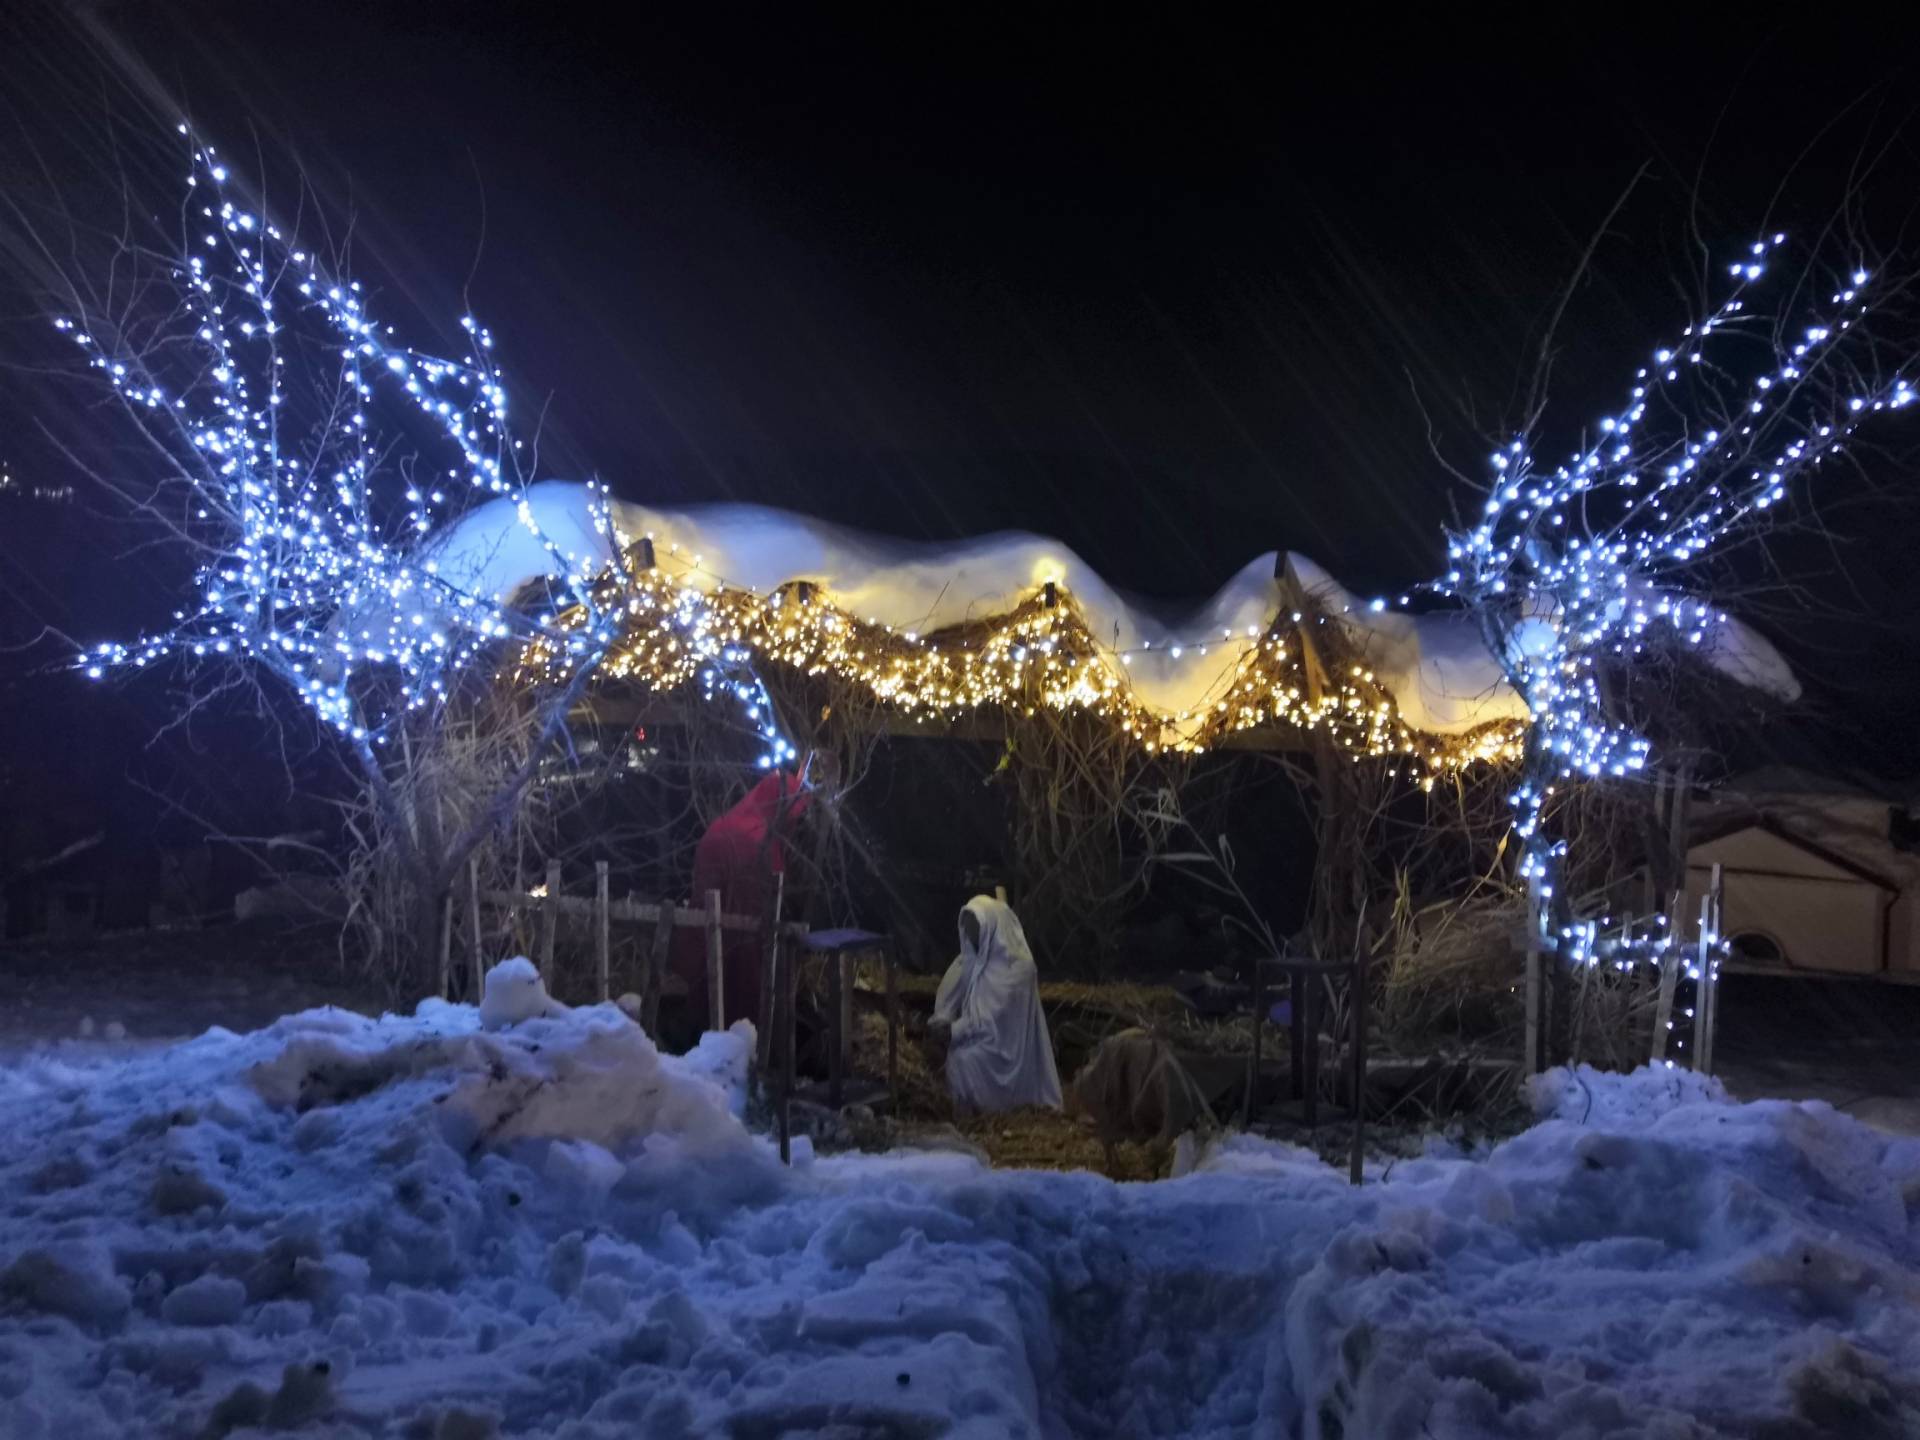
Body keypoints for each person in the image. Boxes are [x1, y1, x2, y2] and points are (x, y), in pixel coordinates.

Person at [671, 767, 812, 1034]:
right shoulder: (761, 841)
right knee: (742, 987)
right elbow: (766, 900)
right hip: (744, 935)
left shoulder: (726, 824)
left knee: (710, 978)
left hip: (709, 929)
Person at [930, 895, 1063, 1112]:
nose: (971, 934)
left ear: (990, 928)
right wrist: (941, 1019)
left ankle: (980, 1112)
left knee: (963, 1061)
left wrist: (953, 1031)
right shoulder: (976, 957)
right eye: (968, 928)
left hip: (1006, 1050)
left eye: (975, 928)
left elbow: (989, 1019)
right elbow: (951, 988)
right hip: (980, 1038)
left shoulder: (1017, 969)